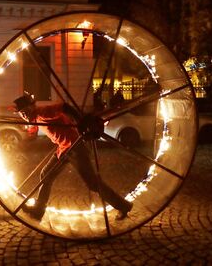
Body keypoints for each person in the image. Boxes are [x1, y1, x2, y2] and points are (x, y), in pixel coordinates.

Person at [13, 92, 133, 221]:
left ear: (32, 107)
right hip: (64, 149)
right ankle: (38, 210)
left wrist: (81, 120)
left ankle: (123, 206)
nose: (24, 116)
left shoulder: (43, 112)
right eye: (21, 114)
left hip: (75, 147)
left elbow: (64, 107)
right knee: (46, 174)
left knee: (93, 183)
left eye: (25, 112)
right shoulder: (36, 117)